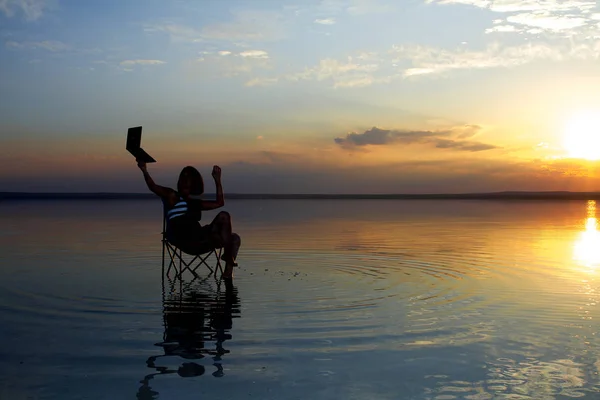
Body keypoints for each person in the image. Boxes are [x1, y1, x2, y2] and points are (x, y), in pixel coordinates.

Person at [136, 160, 241, 279]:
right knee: (223, 229)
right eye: (183, 177)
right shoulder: (172, 196)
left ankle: (227, 272)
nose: (185, 180)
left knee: (233, 234)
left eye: (189, 178)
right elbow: (153, 187)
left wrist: (217, 181)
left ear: (193, 184)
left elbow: (220, 203)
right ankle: (227, 255)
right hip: (184, 240)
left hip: (200, 237)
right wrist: (144, 170)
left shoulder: (194, 203)